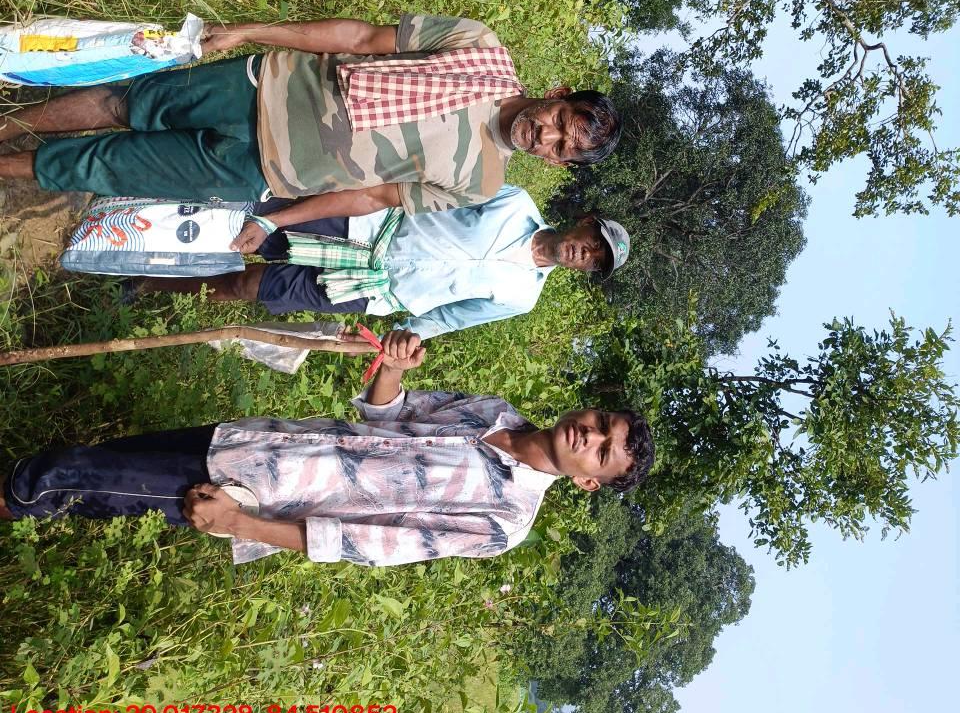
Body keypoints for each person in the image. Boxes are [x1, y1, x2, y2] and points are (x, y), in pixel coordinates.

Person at [0, 331, 655, 568]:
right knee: (93, 464)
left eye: (602, 453)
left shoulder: (505, 520)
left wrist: (240, 525)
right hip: (253, 439)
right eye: (601, 423)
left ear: (589, 482)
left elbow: (365, 545)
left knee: (59, 478)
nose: (590, 436)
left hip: (247, 493)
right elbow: (387, 413)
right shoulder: (494, 412)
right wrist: (392, 366)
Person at [0, 14, 623, 252]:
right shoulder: (479, 47)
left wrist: (276, 220)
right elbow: (361, 39)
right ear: (559, 94)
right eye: (561, 122)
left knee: (104, 167)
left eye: (562, 149)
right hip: (261, 87)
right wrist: (252, 32)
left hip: (257, 171)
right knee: (123, 105)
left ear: (559, 165)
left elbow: (372, 197)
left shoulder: (480, 183)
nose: (547, 136)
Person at [127, 184, 632, 340]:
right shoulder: (515, 203)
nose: (585, 254)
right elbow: (439, 189)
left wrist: (407, 335)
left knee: (251, 287)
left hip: (370, 290)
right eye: (592, 242)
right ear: (584, 223)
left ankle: (146, 282)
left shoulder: (523, 296)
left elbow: (451, 316)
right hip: (365, 227)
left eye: (594, 262)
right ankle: (147, 219)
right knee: (257, 227)